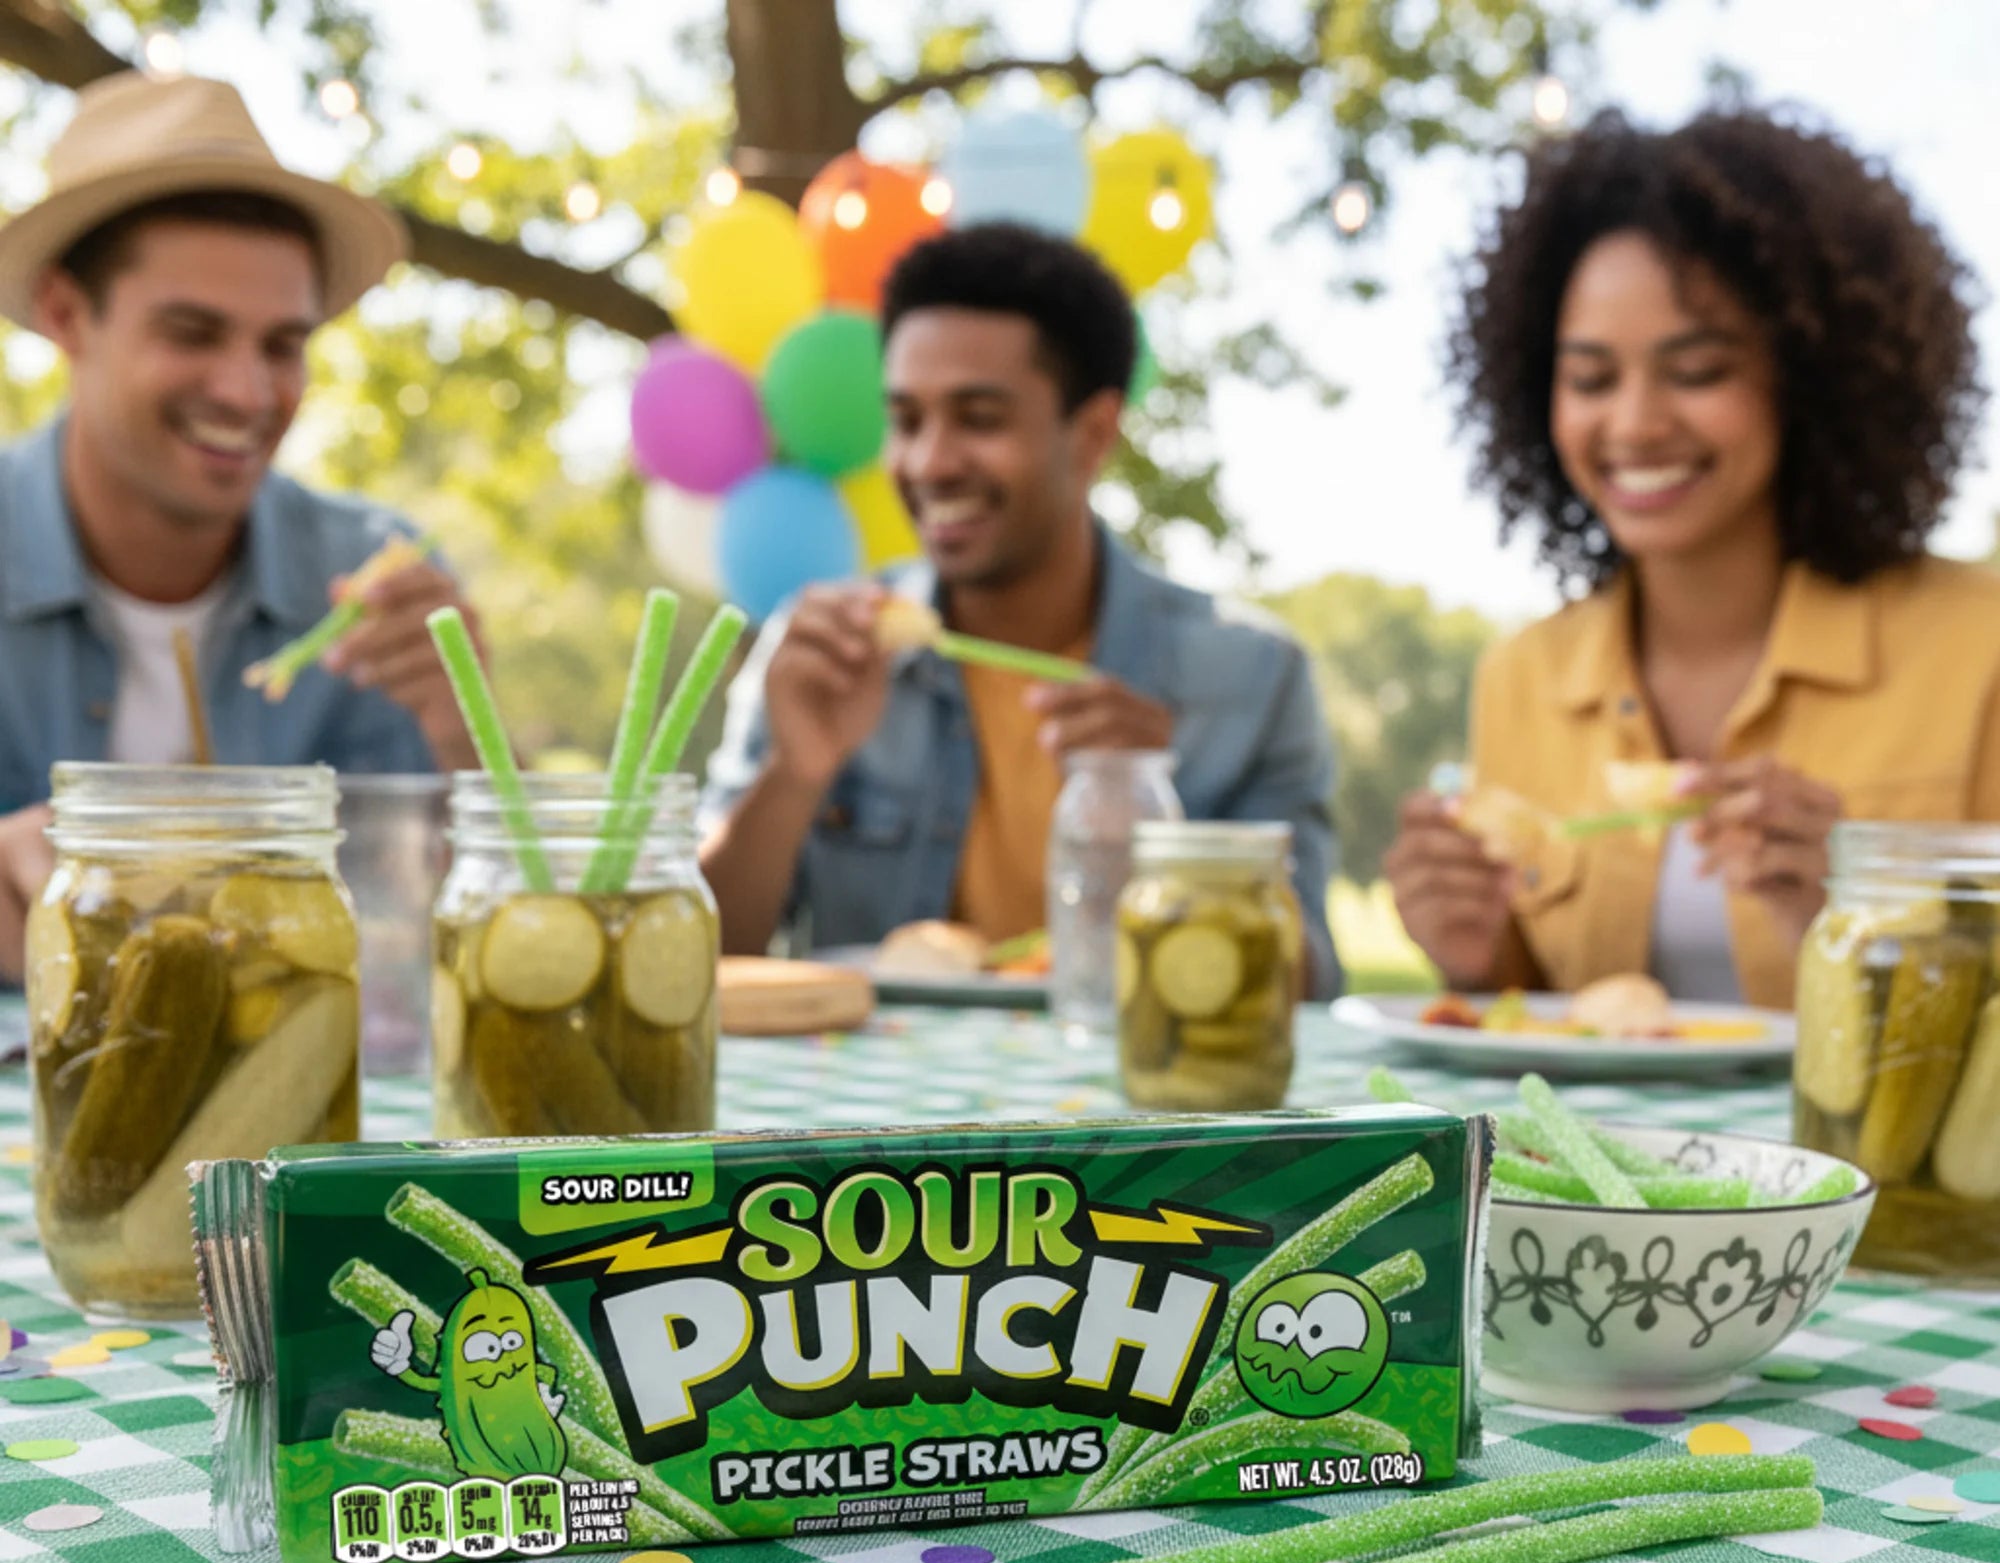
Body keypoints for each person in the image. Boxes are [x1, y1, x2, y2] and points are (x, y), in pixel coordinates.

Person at [1385, 108, 2000, 1009]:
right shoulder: (1522, 679)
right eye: (1591, 379)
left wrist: (1867, 927)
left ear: (1808, 375)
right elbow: (1538, 1020)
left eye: (1698, 371)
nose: (1634, 425)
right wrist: (1475, 958)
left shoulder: (1974, 648)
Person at [699, 222, 1341, 996]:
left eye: (979, 419)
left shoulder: (1254, 674)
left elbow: (1309, 986)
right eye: (906, 421)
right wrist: (794, 774)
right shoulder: (823, 650)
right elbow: (697, 957)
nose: (930, 462)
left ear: (1093, 434)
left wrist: (1164, 833)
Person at [0, 71, 484, 980]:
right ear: (67, 315)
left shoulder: (375, 589)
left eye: (281, 346)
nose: (247, 393)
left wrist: (469, 744)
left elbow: (446, 941)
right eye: (192, 333)